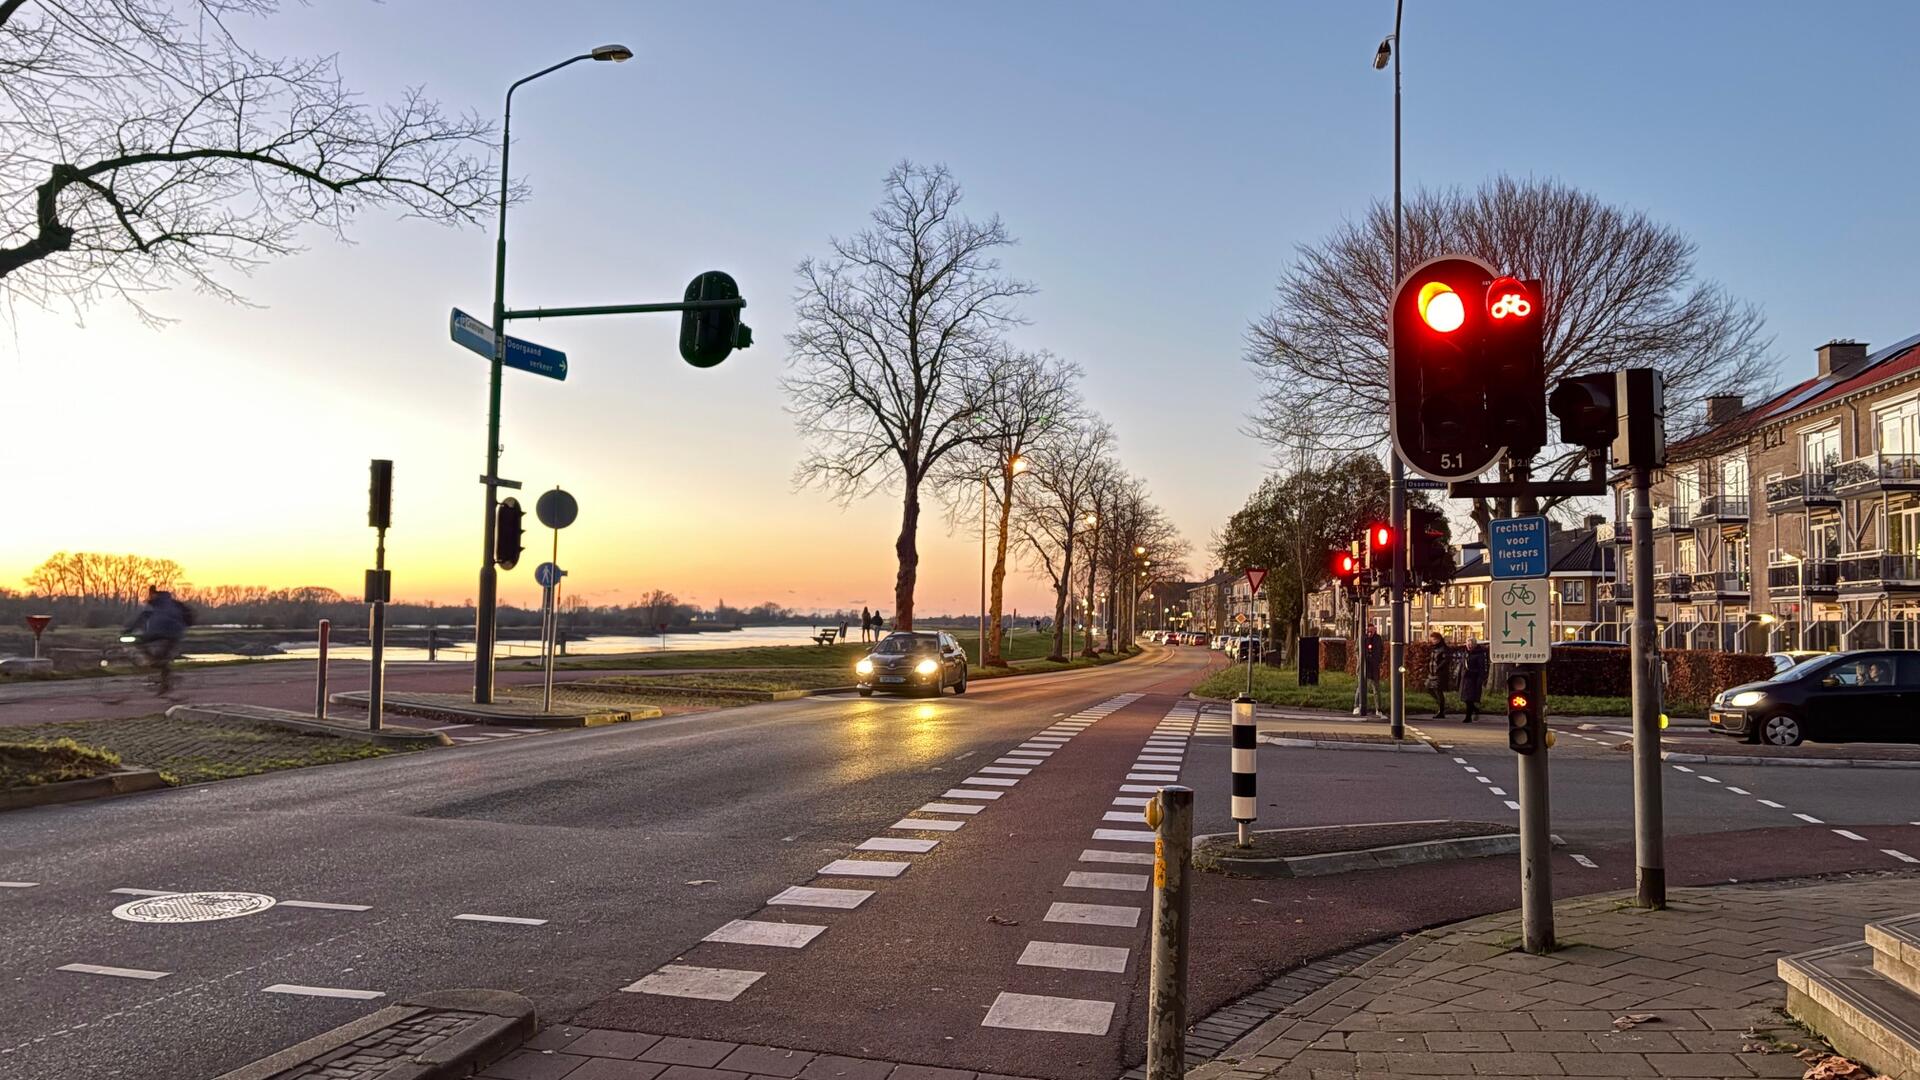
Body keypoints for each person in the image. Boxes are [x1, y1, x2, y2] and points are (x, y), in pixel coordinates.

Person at [124, 585, 191, 695]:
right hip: (175, 634)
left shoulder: (154, 605)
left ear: (154, 594)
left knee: (139, 642)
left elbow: (142, 619)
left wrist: (129, 630)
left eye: (150, 594)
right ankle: (164, 684)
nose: (149, 597)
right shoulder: (173, 604)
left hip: (160, 632)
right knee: (162, 659)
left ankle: (153, 662)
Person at [1459, 637, 1490, 723]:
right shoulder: (1465, 654)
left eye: (1471, 644)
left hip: (1473, 679)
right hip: (1465, 679)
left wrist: (1480, 679)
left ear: (1474, 645)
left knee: (1470, 699)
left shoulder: (1479, 655)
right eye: (1468, 644)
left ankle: (1468, 717)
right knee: (1466, 699)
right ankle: (1475, 710)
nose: (1469, 646)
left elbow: (1481, 668)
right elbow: (1462, 667)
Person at [1425, 631, 1455, 719]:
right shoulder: (1434, 648)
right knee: (1428, 688)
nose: (1432, 641)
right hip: (1432, 673)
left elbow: (1446, 660)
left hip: (1440, 674)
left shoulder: (1443, 649)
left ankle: (1441, 710)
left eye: (1433, 639)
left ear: (1438, 639)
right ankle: (1441, 705)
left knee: (1438, 691)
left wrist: (1438, 668)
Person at [1362, 625, 1385, 716]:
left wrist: (1379, 660)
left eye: (1372, 631)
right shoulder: (1364, 638)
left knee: (1376, 689)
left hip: (1374, 667)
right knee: (1362, 688)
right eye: (1369, 631)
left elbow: (1381, 650)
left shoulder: (1378, 639)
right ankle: (1359, 706)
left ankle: (1378, 708)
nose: (1370, 633)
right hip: (1366, 667)